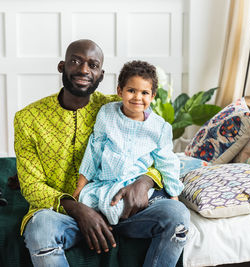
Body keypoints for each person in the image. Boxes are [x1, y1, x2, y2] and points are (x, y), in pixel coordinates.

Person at [14, 39, 190, 267]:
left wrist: (145, 182)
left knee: (177, 215)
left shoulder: (119, 107)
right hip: (63, 214)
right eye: (75, 61)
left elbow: (154, 148)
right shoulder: (28, 119)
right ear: (62, 67)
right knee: (40, 228)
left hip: (124, 207)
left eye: (93, 65)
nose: (84, 69)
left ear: (101, 75)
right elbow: (30, 186)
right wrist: (79, 210)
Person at [73, 60, 184, 226]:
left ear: (153, 96)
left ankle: (115, 224)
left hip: (132, 185)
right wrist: (79, 189)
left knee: (117, 208)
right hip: (103, 183)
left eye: (145, 93)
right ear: (120, 91)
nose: (138, 97)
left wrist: (174, 197)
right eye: (131, 90)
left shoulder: (159, 127)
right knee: (84, 203)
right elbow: (94, 151)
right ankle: (106, 224)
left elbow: (166, 162)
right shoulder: (106, 113)